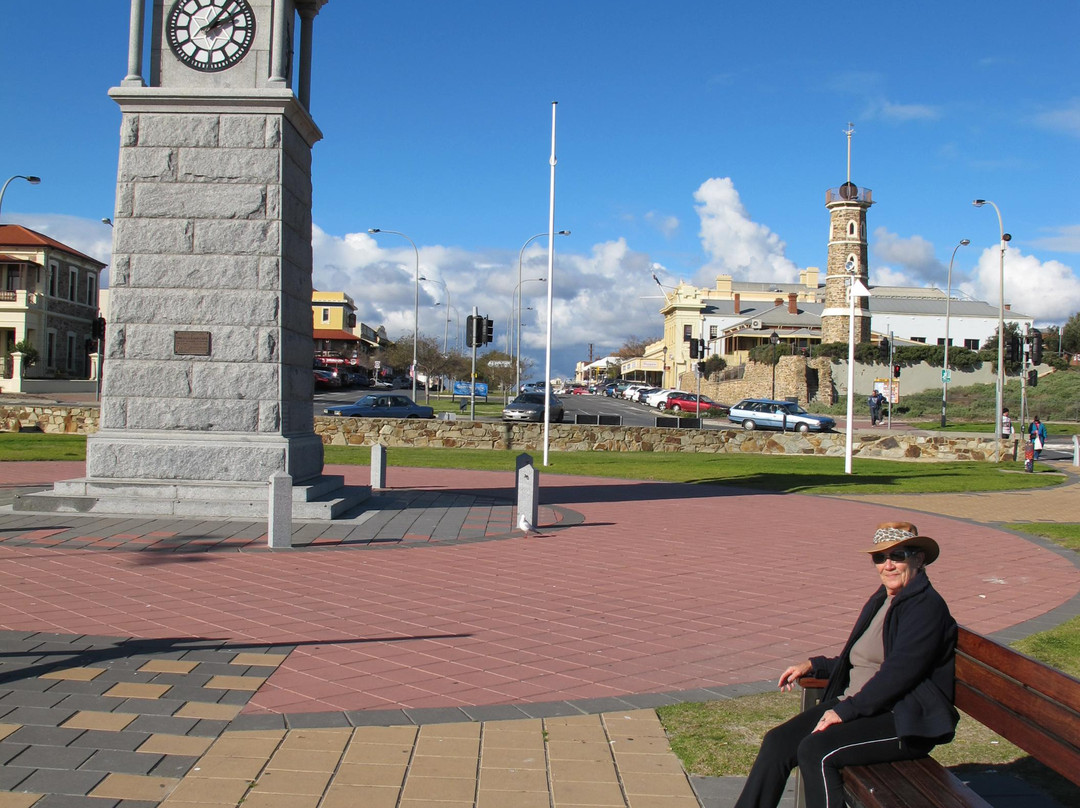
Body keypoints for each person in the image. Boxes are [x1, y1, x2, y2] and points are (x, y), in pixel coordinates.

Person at [734, 522, 958, 808]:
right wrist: (814, 665)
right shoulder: (884, 599)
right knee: (778, 742)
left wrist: (844, 711)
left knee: (817, 751)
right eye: (880, 557)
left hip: (903, 717)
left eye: (897, 555)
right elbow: (862, 657)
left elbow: (900, 673)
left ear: (919, 558)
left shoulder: (925, 607)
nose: (887, 565)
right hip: (864, 705)